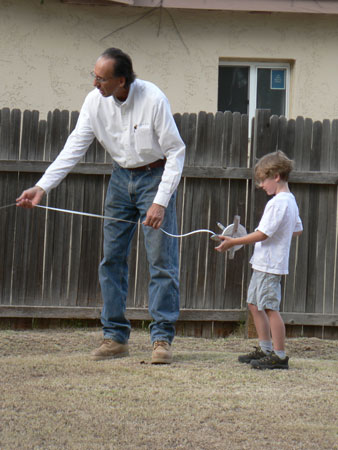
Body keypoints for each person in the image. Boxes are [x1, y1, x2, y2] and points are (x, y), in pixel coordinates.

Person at [16, 48, 185, 364]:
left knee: (161, 261)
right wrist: (41, 186)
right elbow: (74, 147)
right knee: (112, 259)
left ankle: (161, 339)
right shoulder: (94, 102)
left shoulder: (153, 99)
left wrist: (161, 202)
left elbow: (176, 152)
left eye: (101, 78)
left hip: (155, 177)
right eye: (93, 75)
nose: (95, 83)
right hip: (121, 179)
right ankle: (115, 338)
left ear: (121, 80)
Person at [215, 150, 303, 370]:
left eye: (263, 180)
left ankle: (279, 355)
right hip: (263, 262)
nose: (261, 185)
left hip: (270, 265)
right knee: (254, 305)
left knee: (270, 307)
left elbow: (263, 233)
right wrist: (279, 234)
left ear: (276, 176)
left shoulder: (279, 203)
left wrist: (235, 241)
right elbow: (297, 230)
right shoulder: (289, 201)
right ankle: (264, 349)